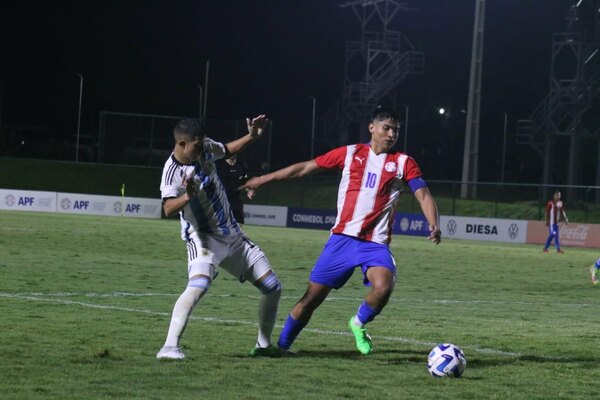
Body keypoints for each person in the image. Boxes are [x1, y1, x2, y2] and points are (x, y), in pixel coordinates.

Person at [241, 106, 441, 355]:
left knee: (383, 286)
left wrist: (433, 222)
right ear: (372, 128)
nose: (391, 134)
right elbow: (304, 168)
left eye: (396, 130)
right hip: (342, 241)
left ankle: (358, 323)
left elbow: (422, 194)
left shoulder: (403, 162)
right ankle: (282, 347)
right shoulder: (350, 153)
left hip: (375, 244)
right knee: (311, 299)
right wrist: (261, 180)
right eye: (386, 128)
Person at [156, 116, 282, 360]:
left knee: (272, 287)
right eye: (196, 145)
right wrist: (187, 196)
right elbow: (168, 209)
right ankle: (169, 347)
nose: (201, 149)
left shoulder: (204, 146)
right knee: (199, 285)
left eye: (202, 144)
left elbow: (226, 150)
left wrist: (252, 136)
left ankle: (263, 345)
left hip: (232, 235)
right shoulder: (171, 171)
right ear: (181, 144)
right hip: (203, 239)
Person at [215, 154, 249, 224]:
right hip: (221, 199)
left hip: (236, 200)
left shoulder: (241, 165)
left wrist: (249, 190)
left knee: (239, 224)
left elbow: (245, 181)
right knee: (220, 225)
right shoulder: (219, 165)